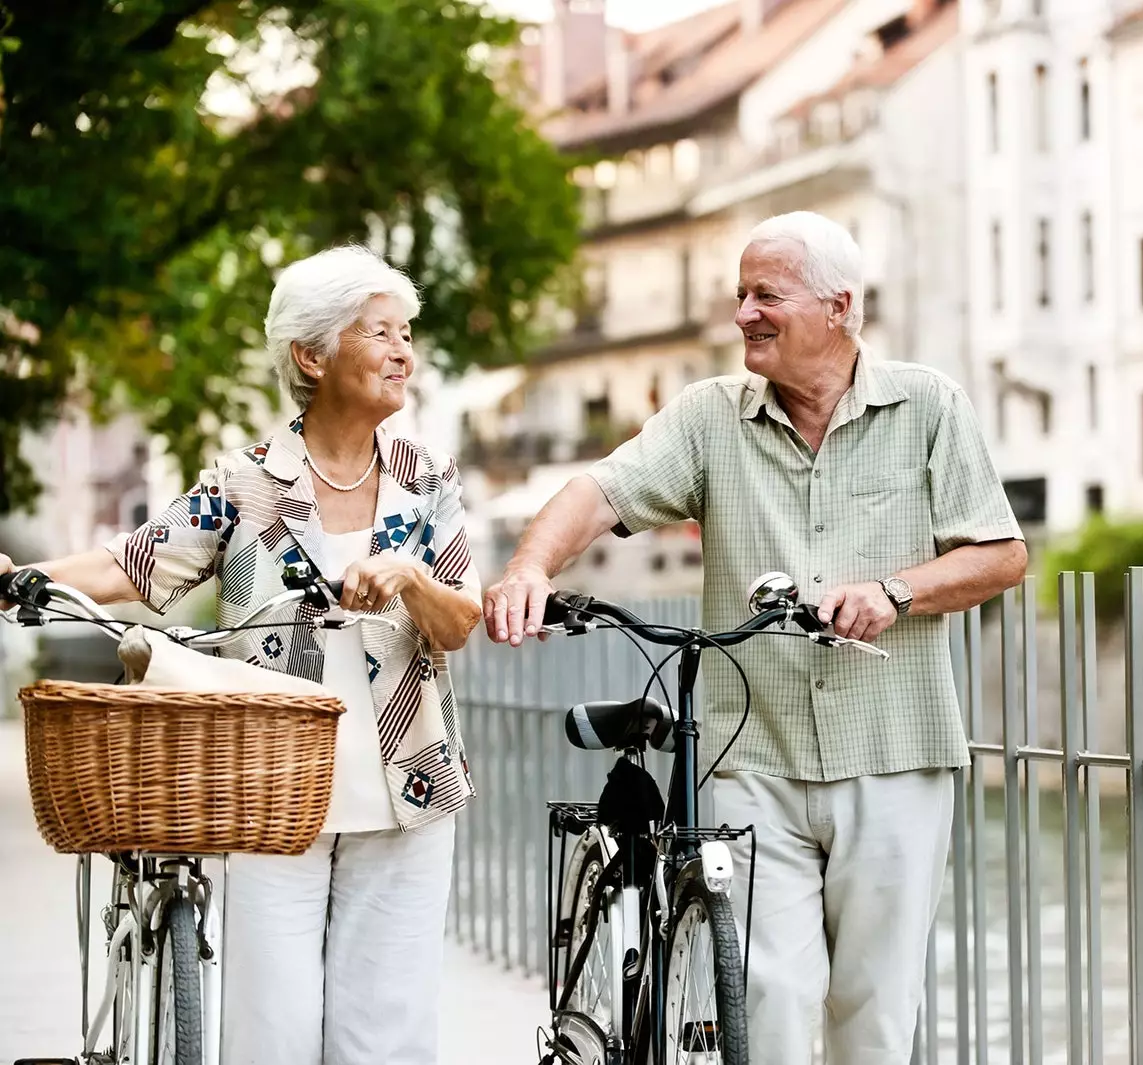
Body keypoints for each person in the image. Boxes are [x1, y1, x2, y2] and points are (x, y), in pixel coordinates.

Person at [483, 211, 1027, 1064]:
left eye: (766, 294)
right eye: (740, 295)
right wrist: (529, 569)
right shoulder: (709, 419)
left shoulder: (928, 406)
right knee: (768, 995)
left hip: (895, 749)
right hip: (750, 753)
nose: (744, 314)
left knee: (877, 1010)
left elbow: (1002, 554)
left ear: (839, 306)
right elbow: (598, 491)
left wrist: (897, 591)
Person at [0, 244, 482, 1064]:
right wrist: (20, 579)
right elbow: (135, 563)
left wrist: (407, 576)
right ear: (311, 353)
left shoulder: (427, 475)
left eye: (407, 332)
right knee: (275, 1035)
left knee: (387, 1040)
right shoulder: (246, 480)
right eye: (380, 332)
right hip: (269, 791)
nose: (404, 351)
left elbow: (460, 617)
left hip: (409, 784)